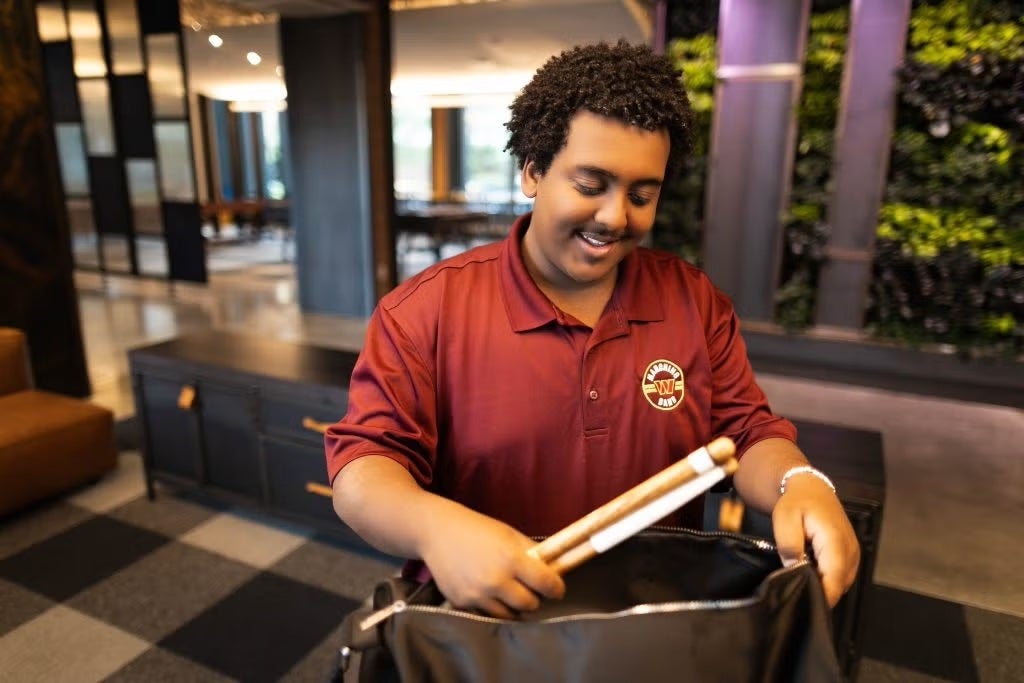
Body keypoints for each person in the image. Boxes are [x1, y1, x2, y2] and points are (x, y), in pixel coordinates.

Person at [325, 41, 859, 618]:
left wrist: (799, 481)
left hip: (650, 623)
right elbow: (364, 469)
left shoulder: (693, 302)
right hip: (488, 628)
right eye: (590, 185)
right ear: (532, 171)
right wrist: (436, 529)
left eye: (641, 194)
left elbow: (748, 433)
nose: (615, 217)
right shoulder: (425, 311)